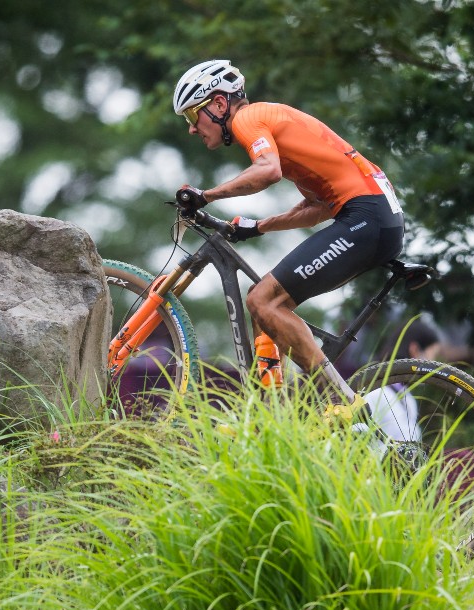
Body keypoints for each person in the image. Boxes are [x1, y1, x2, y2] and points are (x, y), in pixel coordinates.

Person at [171, 59, 405, 418]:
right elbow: (319, 208)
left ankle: (344, 401)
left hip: (368, 218)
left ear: (219, 104)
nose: (191, 129)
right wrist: (258, 226)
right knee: (262, 304)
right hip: (375, 218)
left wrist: (207, 195)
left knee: (264, 301)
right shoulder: (276, 125)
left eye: (192, 116)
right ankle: (268, 415)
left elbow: (267, 171)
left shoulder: (249, 118)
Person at [362, 319, 442, 441]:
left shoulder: (407, 398)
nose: (434, 364)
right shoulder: (377, 393)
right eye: (433, 357)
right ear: (414, 350)